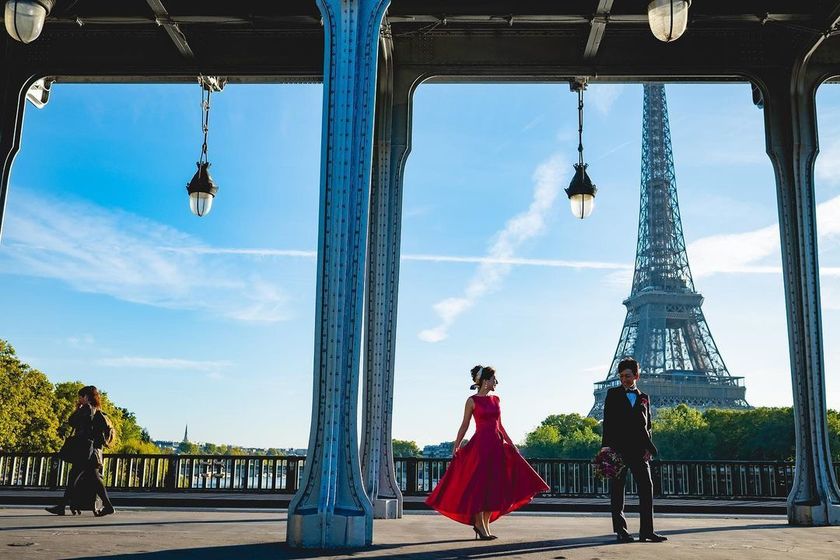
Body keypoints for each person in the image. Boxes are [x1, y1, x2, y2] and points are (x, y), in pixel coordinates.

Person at [425, 365, 549, 540]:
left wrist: (511, 443)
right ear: (484, 381)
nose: (496, 383)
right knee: (481, 486)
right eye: (493, 380)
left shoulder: (496, 399)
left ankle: (484, 525)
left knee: (493, 486)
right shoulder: (471, 400)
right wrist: (456, 446)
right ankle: (480, 525)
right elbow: (465, 425)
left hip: (496, 446)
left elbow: (500, 425)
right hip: (481, 447)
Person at [600, 358, 666, 543]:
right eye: (621, 376)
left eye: (628, 376)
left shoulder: (644, 397)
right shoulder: (612, 394)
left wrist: (648, 448)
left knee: (646, 489)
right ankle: (621, 531)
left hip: (639, 450)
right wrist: (606, 448)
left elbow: (648, 425)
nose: (624, 379)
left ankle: (647, 531)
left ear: (636, 376)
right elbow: (608, 422)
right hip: (618, 450)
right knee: (617, 491)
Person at [46, 385, 115, 517]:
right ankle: (107, 506)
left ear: (86, 397)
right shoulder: (97, 411)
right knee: (90, 479)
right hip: (93, 451)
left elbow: (72, 422)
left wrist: (78, 409)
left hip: (84, 451)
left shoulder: (87, 409)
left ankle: (62, 507)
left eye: (81, 396)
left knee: (76, 478)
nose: (79, 399)